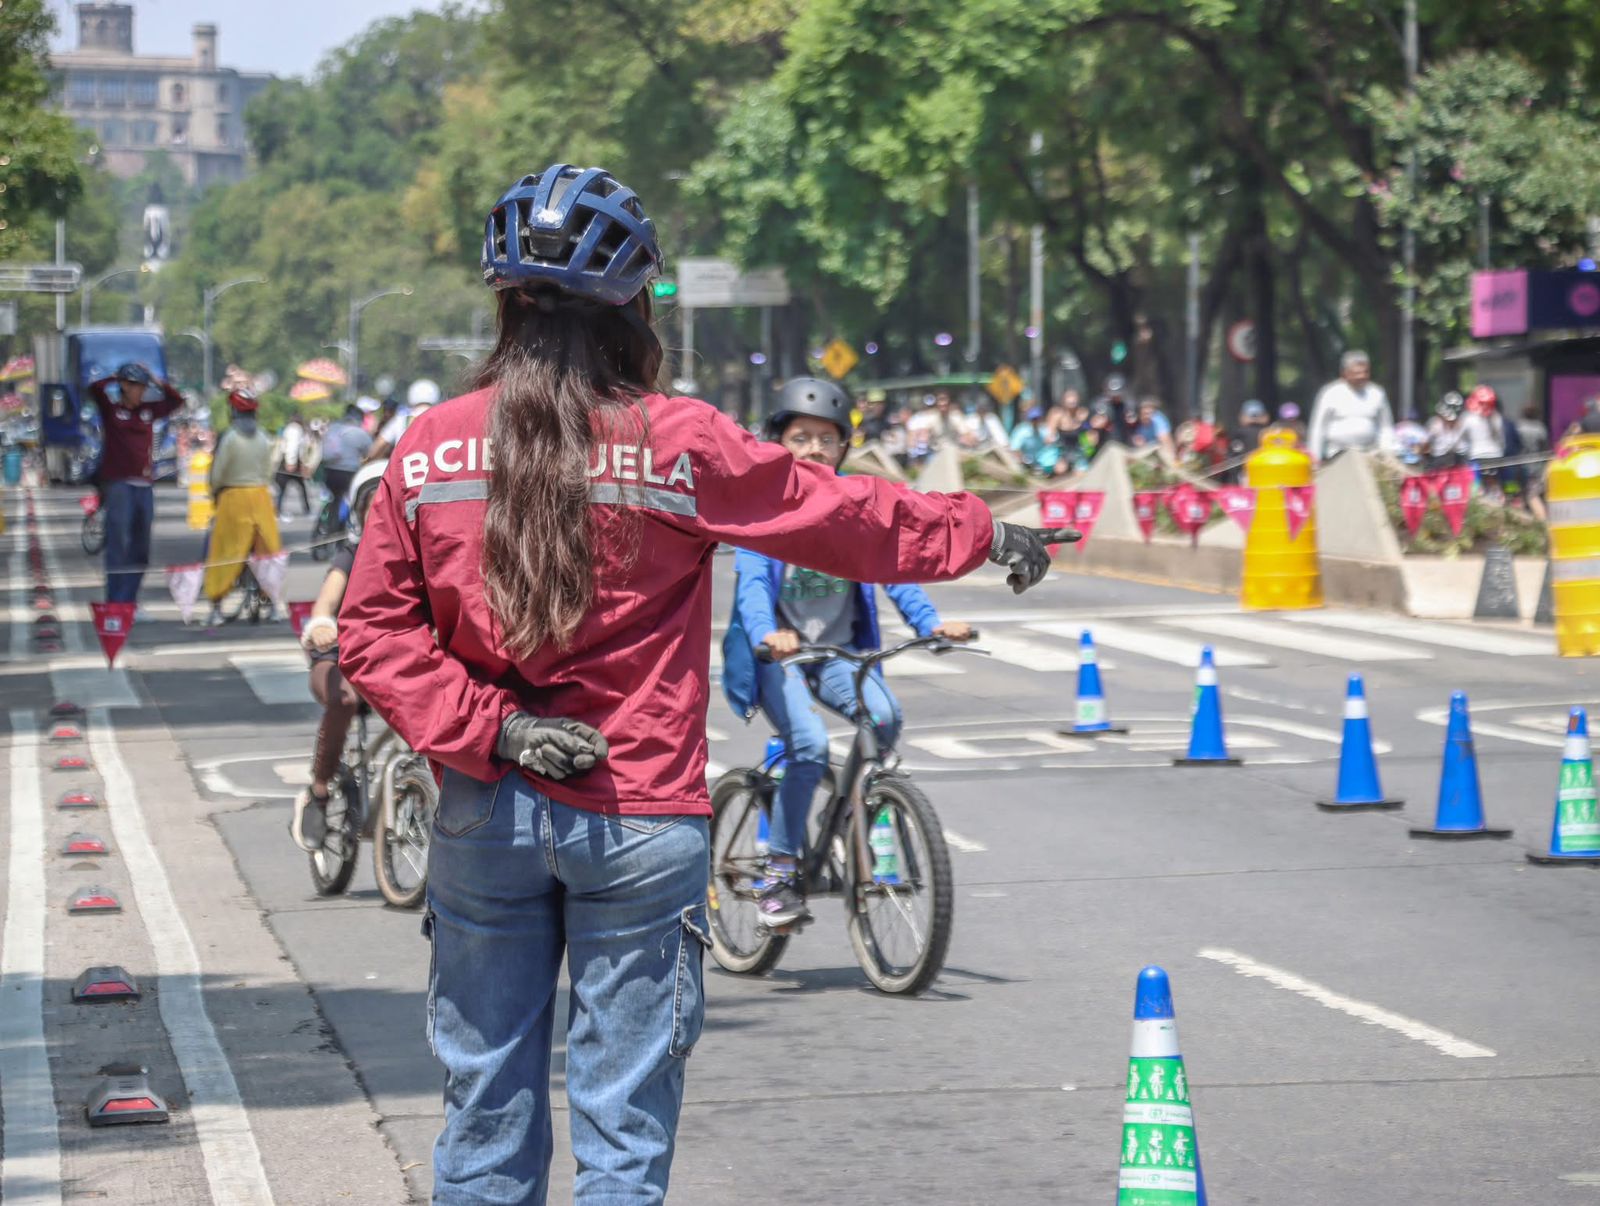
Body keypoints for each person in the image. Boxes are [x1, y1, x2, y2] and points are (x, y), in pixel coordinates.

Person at [336, 163, 1067, 1203]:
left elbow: (373, 632)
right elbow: (838, 514)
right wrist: (982, 531)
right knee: (622, 1131)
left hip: (483, 812)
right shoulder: (678, 440)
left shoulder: (426, 448)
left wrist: (492, 730)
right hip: (636, 814)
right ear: (636, 310)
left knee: (486, 1116)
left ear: (506, 307)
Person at [723, 378, 974, 928]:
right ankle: (778, 874)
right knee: (809, 745)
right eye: (801, 438)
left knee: (884, 718)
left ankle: (842, 812)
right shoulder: (763, 510)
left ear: (843, 448)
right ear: (778, 443)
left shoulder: (853, 508)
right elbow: (753, 586)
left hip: (836, 653)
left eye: (827, 439)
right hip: (778, 657)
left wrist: (930, 624)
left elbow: (895, 569)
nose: (814, 449)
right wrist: (768, 634)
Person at [291, 460, 387, 852]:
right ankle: (318, 791)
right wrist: (321, 622)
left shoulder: (419, 552)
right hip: (338, 655)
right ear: (359, 511)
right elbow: (328, 598)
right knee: (343, 699)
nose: (381, 514)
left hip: (389, 655)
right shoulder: (352, 552)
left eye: (391, 504)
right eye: (372, 505)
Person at [87, 362, 185, 605]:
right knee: (118, 543)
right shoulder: (112, 410)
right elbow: (94, 389)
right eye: (135, 386)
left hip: (144, 486)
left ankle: (128, 600)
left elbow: (176, 401)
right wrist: (115, 376)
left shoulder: (148, 411)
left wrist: (155, 378)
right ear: (124, 386)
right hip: (119, 486)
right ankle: (114, 601)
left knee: (141, 549)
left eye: (142, 387)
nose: (140, 391)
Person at [203, 389, 282, 620]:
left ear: (233, 411)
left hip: (233, 498)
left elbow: (218, 472)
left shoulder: (229, 437)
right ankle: (273, 606)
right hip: (260, 497)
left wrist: (214, 490)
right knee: (268, 553)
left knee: (224, 553)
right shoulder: (263, 438)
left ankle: (216, 607)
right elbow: (269, 470)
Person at [1307, 350, 1394, 461]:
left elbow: (1386, 427)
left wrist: (1388, 453)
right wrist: (1315, 457)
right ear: (1344, 373)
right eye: (1356, 373)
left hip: (1369, 454)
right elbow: (1318, 427)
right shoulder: (1329, 393)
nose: (1361, 376)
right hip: (1336, 454)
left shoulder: (1377, 393)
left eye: (1365, 372)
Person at [366, 377, 442, 461]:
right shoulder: (442, 419)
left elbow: (379, 445)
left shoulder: (401, 420)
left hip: (405, 466)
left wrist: (368, 460)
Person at [318, 403, 374, 505]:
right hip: (349, 473)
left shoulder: (333, 428)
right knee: (349, 501)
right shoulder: (361, 433)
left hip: (329, 471)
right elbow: (370, 453)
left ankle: (329, 512)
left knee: (332, 500)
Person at [275, 415, 311, 518]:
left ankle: (278, 509)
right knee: (299, 488)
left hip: (288, 461)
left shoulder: (289, 428)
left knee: (283, 488)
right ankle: (307, 509)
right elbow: (293, 446)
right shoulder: (295, 430)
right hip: (291, 463)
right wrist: (291, 462)